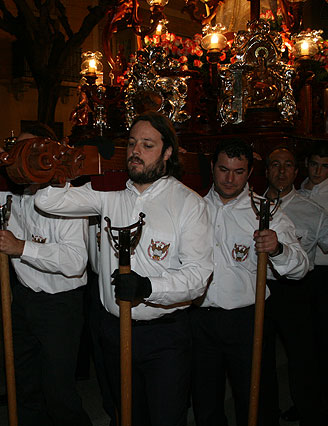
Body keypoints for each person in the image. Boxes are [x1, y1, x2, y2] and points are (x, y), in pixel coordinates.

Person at [35, 112, 214, 426]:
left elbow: (198, 275)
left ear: (167, 152)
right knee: (127, 416)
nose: (136, 151)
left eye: (147, 145)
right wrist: (64, 166)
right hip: (114, 331)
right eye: (132, 143)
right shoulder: (109, 195)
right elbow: (48, 202)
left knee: (165, 419)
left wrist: (149, 288)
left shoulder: (188, 203)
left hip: (164, 338)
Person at [0, 124, 93, 426]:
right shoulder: (8, 194)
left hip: (60, 305)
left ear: (47, 154)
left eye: (30, 150)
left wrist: (21, 248)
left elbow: (75, 261)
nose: (21, 158)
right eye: (16, 152)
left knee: (58, 392)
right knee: (24, 384)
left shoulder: (68, 196)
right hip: (24, 300)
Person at [190, 139, 308, 426]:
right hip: (199, 320)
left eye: (239, 171)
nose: (230, 179)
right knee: (204, 400)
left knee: (255, 398)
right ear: (212, 168)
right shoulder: (192, 208)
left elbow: (301, 267)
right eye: (223, 169)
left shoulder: (265, 211)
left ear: (251, 171)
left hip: (247, 320)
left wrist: (278, 249)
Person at [261, 146, 328, 426]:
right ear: (266, 170)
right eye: (275, 165)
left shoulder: (311, 211)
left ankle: (310, 415)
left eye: (287, 165)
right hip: (258, 291)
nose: (281, 171)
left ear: (295, 171)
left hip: (296, 290)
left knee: (303, 359)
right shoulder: (251, 205)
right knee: (261, 359)